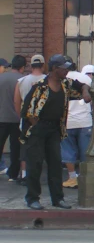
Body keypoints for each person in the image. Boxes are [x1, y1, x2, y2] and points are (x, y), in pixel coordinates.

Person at [20, 54, 91, 210]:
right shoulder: (40, 87)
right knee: (35, 164)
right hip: (37, 129)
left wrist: (85, 92)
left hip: (54, 129)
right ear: (54, 69)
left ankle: (57, 198)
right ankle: (32, 198)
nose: (66, 71)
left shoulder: (66, 84)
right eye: (63, 68)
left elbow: (83, 86)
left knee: (55, 164)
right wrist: (36, 128)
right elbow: (28, 111)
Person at [13, 54, 46, 186]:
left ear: (31, 66)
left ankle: (25, 174)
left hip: (26, 120)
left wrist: (21, 116)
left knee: (25, 148)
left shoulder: (21, 81)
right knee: (44, 148)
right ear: (43, 65)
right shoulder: (48, 80)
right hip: (44, 121)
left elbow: (16, 101)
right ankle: (41, 174)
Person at [61, 63, 94, 189]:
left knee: (68, 150)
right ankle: (85, 177)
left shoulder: (61, 80)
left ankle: (72, 178)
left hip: (68, 121)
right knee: (85, 151)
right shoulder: (86, 79)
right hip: (85, 120)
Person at [0, 55, 26, 182]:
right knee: (16, 148)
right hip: (17, 118)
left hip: (1, 117)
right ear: (22, 67)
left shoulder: (1, 78)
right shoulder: (23, 80)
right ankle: (13, 174)